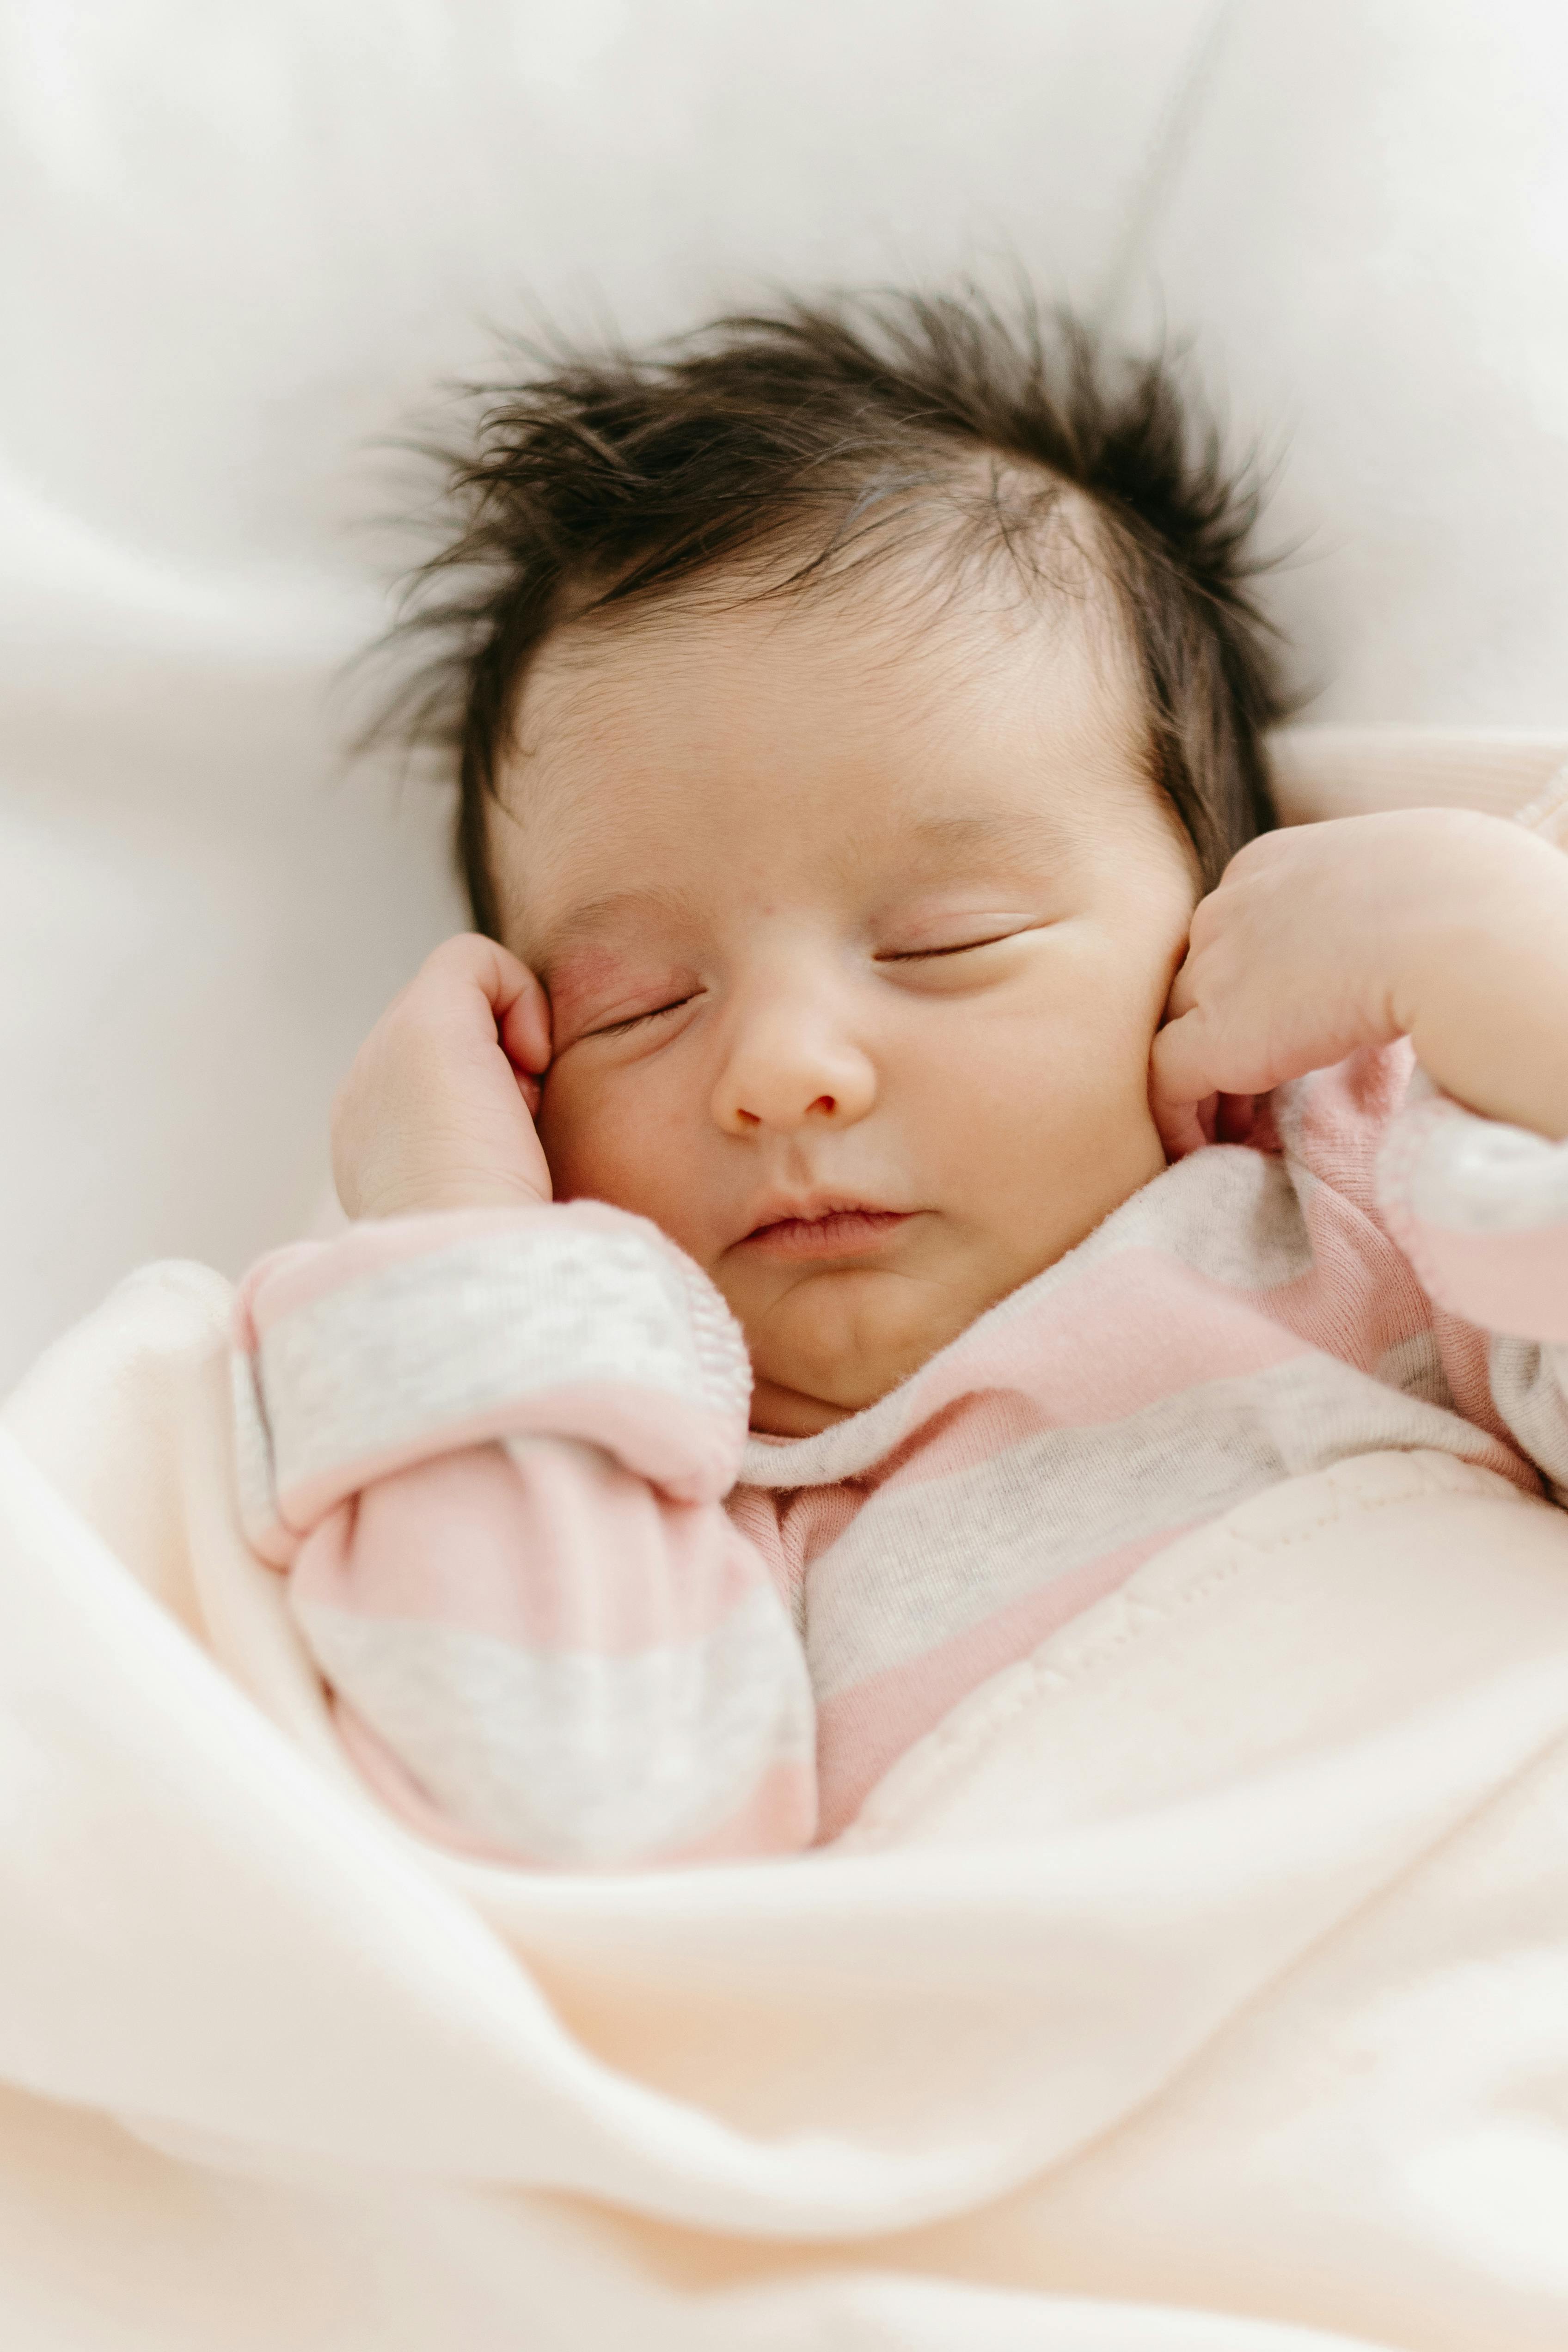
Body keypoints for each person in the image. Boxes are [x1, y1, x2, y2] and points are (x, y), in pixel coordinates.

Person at [232, 290, 1568, 1867]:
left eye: (945, 941)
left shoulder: (1358, 1210)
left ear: (1215, 939)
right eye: (637, 1006)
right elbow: (578, 1838)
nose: (783, 1070)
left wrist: (1498, 961)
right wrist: (459, 1240)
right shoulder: (674, 1484)